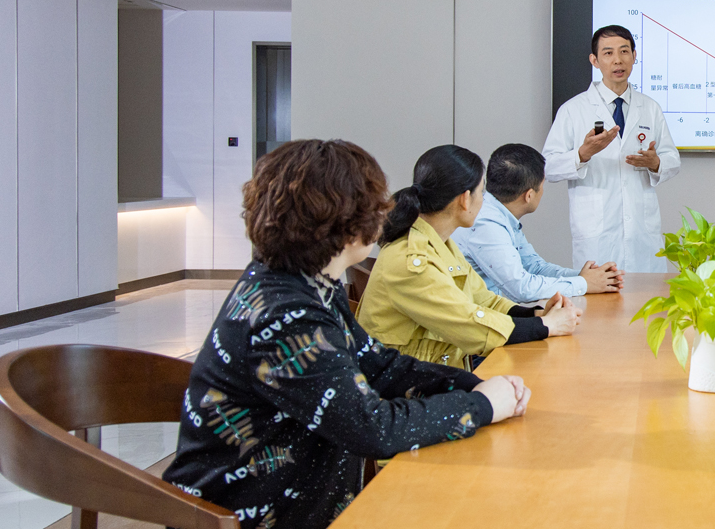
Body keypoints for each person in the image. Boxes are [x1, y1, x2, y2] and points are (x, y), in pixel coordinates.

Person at [163, 140, 530, 529]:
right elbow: (371, 428)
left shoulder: (308, 282)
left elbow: (378, 364)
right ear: (349, 223)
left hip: (305, 503)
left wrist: (472, 385)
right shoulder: (286, 314)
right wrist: (480, 406)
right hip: (256, 516)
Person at [358, 144, 583, 371]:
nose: (484, 202)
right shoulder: (412, 260)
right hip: (408, 383)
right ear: (465, 199)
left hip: (434, 372)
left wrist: (536, 314)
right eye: (481, 193)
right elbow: (469, 327)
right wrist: (546, 325)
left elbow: (483, 300)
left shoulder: (441, 243)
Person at [543, 25, 681, 272]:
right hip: (597, 236)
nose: (618, 60)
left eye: (624, 51)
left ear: (634, 56)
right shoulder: (573, 110)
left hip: (642, 234)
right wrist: (582, 154)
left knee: (647, 294)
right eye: (608, 53)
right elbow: (549, 167)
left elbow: (672, 158)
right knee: (600, 293)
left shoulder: (650, 108)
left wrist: (656, 163)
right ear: (594, 60)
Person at [451, 143, 624, 303]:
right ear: (529, 195)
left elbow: (534, 267)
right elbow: (521, 288)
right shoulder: (486, 224)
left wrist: (586, 277)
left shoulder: (499, 214)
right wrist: (584, 283)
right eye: (542, 186)